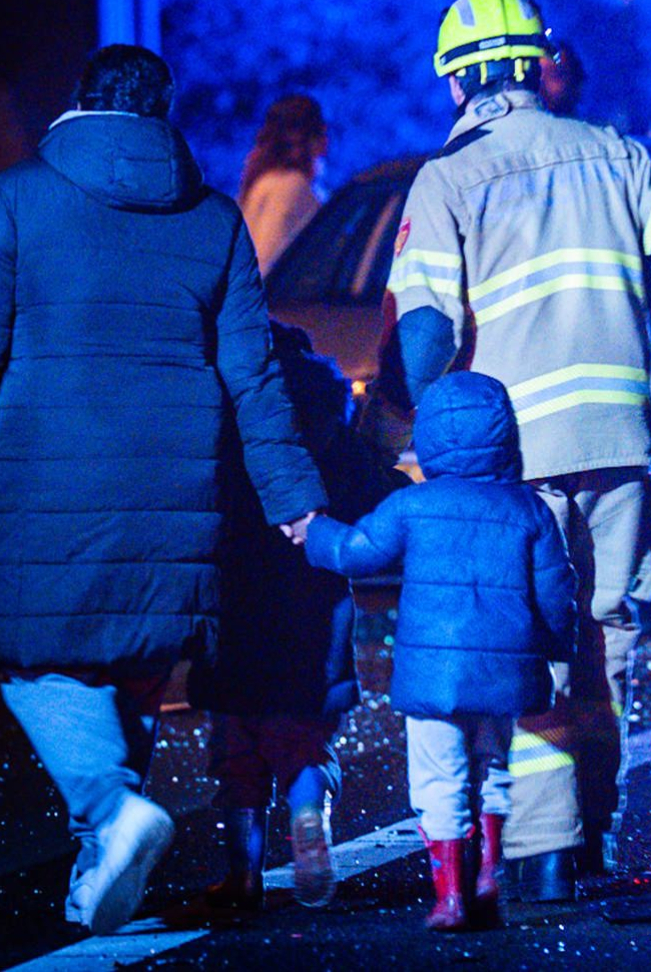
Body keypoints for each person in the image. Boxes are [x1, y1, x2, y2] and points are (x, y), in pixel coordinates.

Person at [0, 45, 325, 935]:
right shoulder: (214, 218)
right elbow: (254, 376)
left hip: (47, 475)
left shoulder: (15, 198)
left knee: (32, 659)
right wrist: (293, 497)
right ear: (163, 114)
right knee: (138, 661)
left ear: (79, 103)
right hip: (180, 480)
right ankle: (102, 862)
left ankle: (111, 814)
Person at [390, 0, 651, 900]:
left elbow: (423, 332)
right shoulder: (614, 154)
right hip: (618, 437)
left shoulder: (447, 179)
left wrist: (431, 435)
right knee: (608, 635)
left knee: (531, 646)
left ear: (458, 82)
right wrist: (647, 300)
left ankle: (540, 852)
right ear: (537, 66)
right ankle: (597, 836)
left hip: (513, 463)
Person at [305, 371, 576, 931]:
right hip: (504, 678)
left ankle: (450, 896)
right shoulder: (528, 509)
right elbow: (556, 591)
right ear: (506, 435)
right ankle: (490, 875)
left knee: (438, 778)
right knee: (493, 767)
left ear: (428, 438)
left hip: (433, 678)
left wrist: (313, 531)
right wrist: (551, 650)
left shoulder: (415, 505)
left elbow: (358, 552)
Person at [190, 323, 410, 911]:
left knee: (237, 747)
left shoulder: (225, 424)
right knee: (301, 737)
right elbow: (373, 495)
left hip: (232, 608)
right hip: (314, 613)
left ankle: (242, 877)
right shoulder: (329, 434)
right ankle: (309, 809)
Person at [238, 94, 329, 274]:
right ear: (311, 139)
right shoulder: (289, 188)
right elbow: (267, 261)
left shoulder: (264, 182)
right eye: (322, 132)